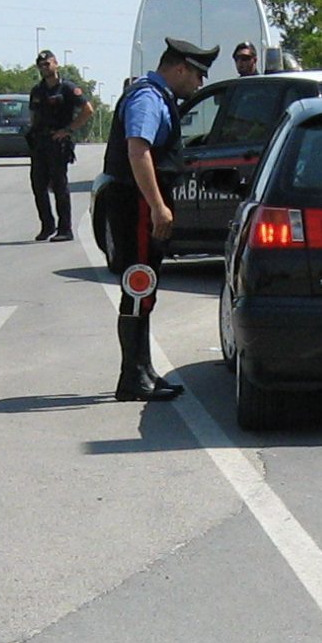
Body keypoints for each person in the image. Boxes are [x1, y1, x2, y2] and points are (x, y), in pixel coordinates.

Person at [97, 37, 215, 401]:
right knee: (137, 285)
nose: (199, 84)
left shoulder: (158, 96)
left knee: (144, 287)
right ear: (179, 67)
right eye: (197, 75)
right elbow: (138, 151)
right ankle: (131, 378)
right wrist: (157, 206)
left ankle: (142, 369)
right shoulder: (148, 97)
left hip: (139, 203)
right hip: (135, 204)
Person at [27, 50, 93, 241]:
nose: (44, 68)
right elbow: (33, 115)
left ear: (56, 64)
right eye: (41, 65)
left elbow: (88, 110)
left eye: (47, 64)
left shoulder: (67, 89)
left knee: (59, 185)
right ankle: (47, 226)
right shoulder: (37, 90)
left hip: (58, 143)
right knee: (38, 185)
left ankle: (65, 229)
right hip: (40, 142)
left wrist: (68, 130)